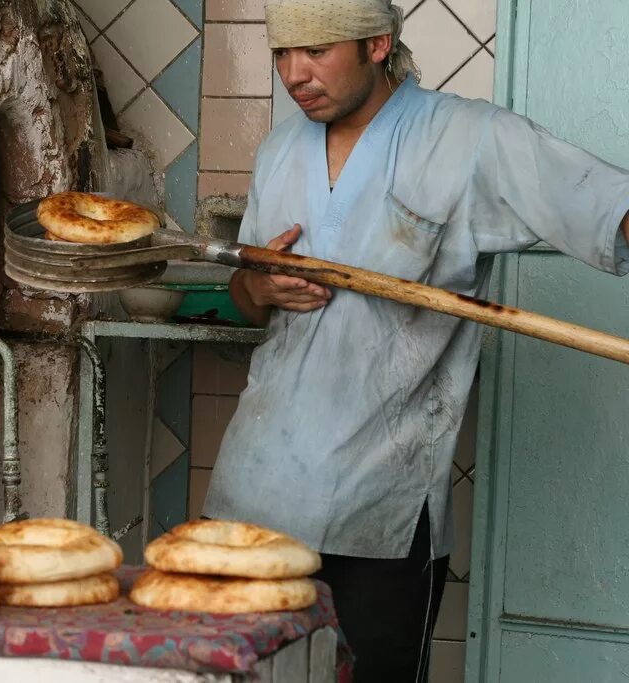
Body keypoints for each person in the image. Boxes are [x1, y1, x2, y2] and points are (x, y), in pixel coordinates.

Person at [202, 1, 629, 680]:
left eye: (316, 50)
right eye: (282, 53)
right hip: (254, 498)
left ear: (377, 42)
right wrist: (261, 288)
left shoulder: (469, 140)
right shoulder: (279, 152)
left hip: (381, 511)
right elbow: (247, 298)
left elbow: (607, 206)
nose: (294, 73)